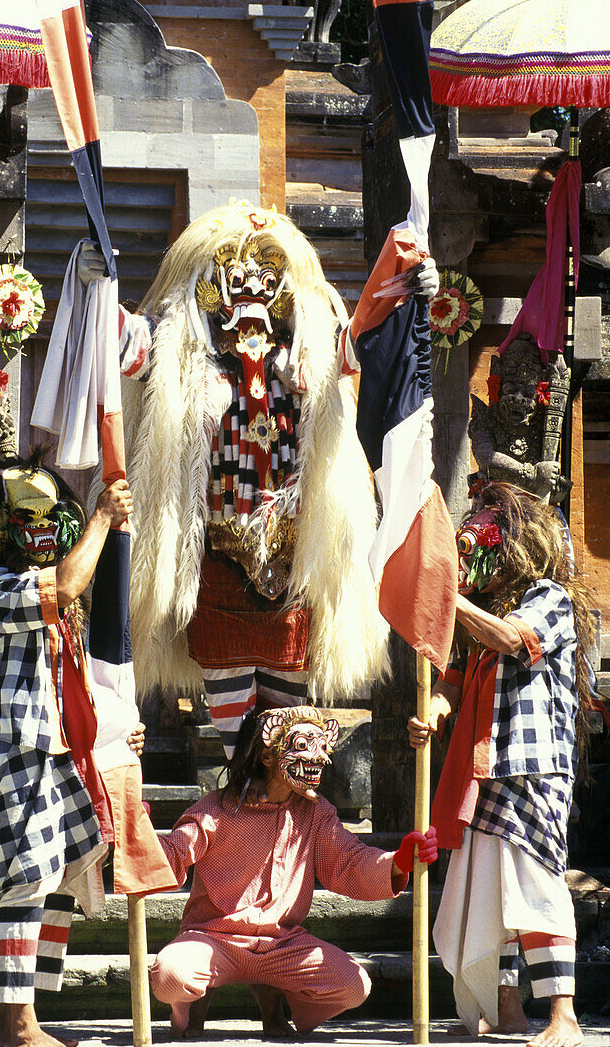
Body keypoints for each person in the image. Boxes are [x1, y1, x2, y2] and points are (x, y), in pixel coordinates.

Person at [76, 203, 439, 759]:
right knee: (239, 746)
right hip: (220, 557)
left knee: (286, 738)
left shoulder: (311, 351)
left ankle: (281, 832)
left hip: (290, 564)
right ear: (210, 287)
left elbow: (366, 337)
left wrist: (410, 292)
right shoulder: (181, 355)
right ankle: (242, 828)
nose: (251, 291)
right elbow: (123, 344)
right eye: (236, 279)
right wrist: (96, 285)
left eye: (266, 279)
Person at [0, 450, 141, 1047]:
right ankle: (17, 1024)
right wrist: (103, 517)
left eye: (51, 515)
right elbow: (70, 582)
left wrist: (115, 724)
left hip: (57, 748)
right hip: (15, 745)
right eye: (26, 516)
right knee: (27, 876)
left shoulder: (46, 592)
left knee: (57, 876)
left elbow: (75, 673)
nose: (41, 527)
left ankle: (21, 1020)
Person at [408, 481, 595, 1047]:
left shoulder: (551, 599)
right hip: (484, 767)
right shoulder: (486, 612)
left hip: (533, 764)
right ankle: (507, 1010)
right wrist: (434, 712)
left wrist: (449, 598)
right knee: (490, 892)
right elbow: (456, 680)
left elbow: (514, 639)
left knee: (536, 884)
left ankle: (564, 1016)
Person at [150, 705, 438, 1039]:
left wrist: (399, 862)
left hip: (281, 945)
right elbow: (174, 852)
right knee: (171, 975)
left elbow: (347, 862)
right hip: (213, 937)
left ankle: (275, 1002)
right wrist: (140, 836)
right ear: (268, 757)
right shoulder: (215, 809)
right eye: (304, 746)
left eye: (322, 748)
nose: (319, 759)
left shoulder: (316, 813)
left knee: (352, 985)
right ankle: (190, 1007)